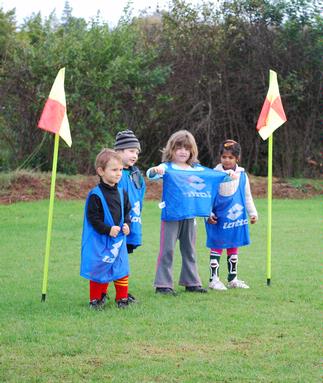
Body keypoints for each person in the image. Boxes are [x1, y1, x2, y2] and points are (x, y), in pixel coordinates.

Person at [146, 130, 208, 295]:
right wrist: (155, 170)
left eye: (187, 148)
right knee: (167, 249)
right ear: (171, 149)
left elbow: (213, 176)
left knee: (190, 249)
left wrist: (228, 175)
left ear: (192, 151)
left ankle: (192, 282)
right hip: (171, 215)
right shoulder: (166, 168)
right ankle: (163, 284)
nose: (183, 151)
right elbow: (151, 174)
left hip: (190, 215)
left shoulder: (196, 169)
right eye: (179, 147)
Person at [80, 148, 133, 309]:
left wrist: (127, 225)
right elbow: (93, 219)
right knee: (100, 267)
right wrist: (107, 229)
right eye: (114, 170)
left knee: (121, 267)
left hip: (118, 239)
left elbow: (127, 213)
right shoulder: (95, 195)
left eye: (121, 170)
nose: (118, 174)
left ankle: (122, 299)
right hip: (101, 239)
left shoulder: (121, 192)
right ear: (101, 171)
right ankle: (96, 298)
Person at [205, 139, 258, 290]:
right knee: (217, 245)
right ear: (220, 157)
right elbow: (207, 196)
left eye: (230, 157)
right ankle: (213, 279)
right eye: (224, 157)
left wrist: (253, 213)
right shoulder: (214, 174)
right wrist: (208, 213)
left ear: (237, 159)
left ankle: (232, 278)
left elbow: (247, 196)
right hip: (218, 217)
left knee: (234, 244)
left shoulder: (242, 175)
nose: (226, 160)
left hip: (236, 217)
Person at [114, 130, 146, 255]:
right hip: (115, 225)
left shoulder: (137, 175)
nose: (135, 156)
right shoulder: (114, 174)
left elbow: (140, 198)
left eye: (137, 153)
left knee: (123, 260)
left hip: (132, 224)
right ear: (118, 151)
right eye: (131, 151)